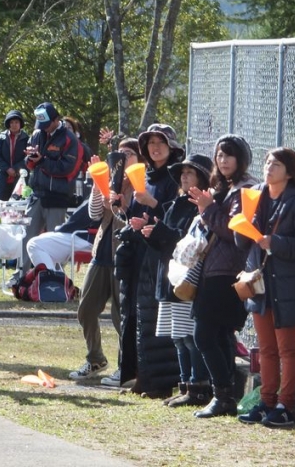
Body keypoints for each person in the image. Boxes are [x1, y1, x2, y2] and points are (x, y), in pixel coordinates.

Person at [235, 147, 295, 426]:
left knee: (287, 349)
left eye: (276, 164)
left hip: (288, 288)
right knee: (266, 349)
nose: (269, 168)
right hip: (261, 286)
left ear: (290, 172)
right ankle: (266, 401)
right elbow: (241, 242)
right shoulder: (255, 196)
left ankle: (285, 405)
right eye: (268, 162)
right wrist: (242, 226)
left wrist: (276, 243)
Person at [105, 124, 184, 398]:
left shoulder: (176, 178)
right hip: (137, 255)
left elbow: (175, 218)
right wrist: (124, 208)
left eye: (161, 142)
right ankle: (138, 375)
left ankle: (157, 383)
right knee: (134, 316)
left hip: (159, 257)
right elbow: (137, 220)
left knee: (153, 318)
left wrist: (152, 203)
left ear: (171, 146)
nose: (155, 148)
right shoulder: (145, 175)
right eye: (150, 143)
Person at [187, 134, 259, 418]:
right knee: (219, 334)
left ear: (241, 159)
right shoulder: (223, 187)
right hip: (213, 269)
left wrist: (208, 209)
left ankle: (222, 394)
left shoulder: (246, 189)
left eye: (229, 154)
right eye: (219, 154)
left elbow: (234, 232)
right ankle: (226, 395)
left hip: (229, 271)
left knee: (204, 334)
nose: (223, 160)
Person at [140, 154, 214, 407]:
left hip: (187, 279)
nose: (184, 177)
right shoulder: (176, 203)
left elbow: (188, 242)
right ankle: (184, 384)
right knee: (177, 337)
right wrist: (149, 232)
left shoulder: (200, 205)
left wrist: (160, 231)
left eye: (190, 173)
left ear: (202, 178)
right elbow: (166, 241)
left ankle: (198, 386)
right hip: (169, 276)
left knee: (189, 338)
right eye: (182, 173)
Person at [69, 137, 141, 381]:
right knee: (86, 309)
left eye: (129, 153)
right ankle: (95, 359)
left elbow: (130, 217)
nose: (122, 157)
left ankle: (127, 366)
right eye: (120, 153)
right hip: (101, 252)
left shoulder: (140, 184)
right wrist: (98, 185)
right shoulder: (110, 180)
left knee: (121, 316)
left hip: (124, 255)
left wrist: (119, 202)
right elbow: (94, 214)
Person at [17, 102, 83, 275]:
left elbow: (67, 168)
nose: (43, 128)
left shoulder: (69, 139)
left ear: (56, 119)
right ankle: (21, 276)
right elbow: (28, 163)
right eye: (40, 124)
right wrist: (30, 159)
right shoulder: (37, 134)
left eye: (46, 124)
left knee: (55, 240)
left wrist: (42, 161)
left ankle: (57, 277)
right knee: (26, 235)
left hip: (57, 197)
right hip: (36, 194)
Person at [25, 198, 99, 271]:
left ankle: (52, 278)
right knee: (43, 241)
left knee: (34, 244)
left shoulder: (100, 195)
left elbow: (77, 220)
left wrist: (60, 228)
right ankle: (56, 277)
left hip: (91, 239)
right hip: (92, 238)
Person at [0, 110, 29, 201]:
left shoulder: (26, 138)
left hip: (20, 175)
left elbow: (28, 157)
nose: (14, 125)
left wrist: (15, 168)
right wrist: (7, 169)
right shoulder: (2, 137)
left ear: (20, 124)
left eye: (16, 122)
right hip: (3, 174)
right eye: (11, 122)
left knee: (18, 202)